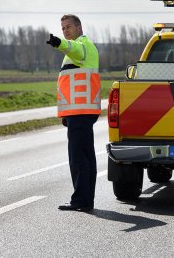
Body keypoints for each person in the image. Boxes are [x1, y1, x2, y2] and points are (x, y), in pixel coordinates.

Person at [46, 14, 101, 212]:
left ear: (79, 27)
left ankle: (81, 200)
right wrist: (66, 115)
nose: (65, 31)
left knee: (78, 157)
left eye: (68, 27)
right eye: (62, 28)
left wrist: (58, 42)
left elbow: (73, 47)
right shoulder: (80, 51)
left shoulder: (82, 47)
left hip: (80, 112)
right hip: (79, 112)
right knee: (85, 156)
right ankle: (85, 199)